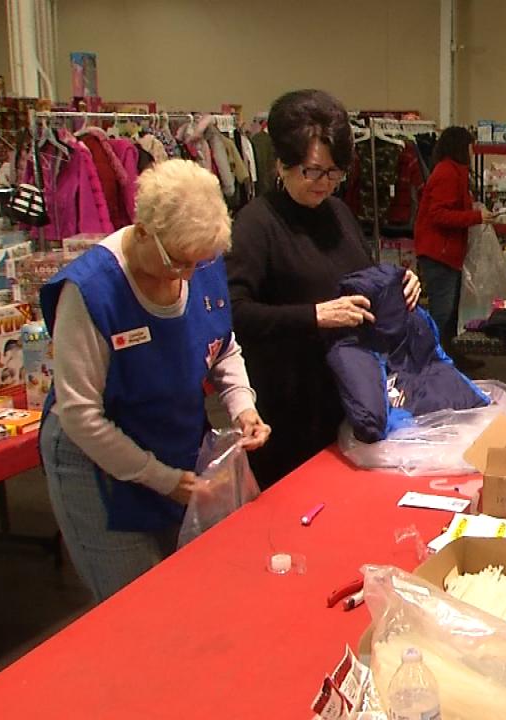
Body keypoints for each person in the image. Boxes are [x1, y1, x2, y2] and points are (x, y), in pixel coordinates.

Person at [39, 159, 271, 602]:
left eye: (198, 264)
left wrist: (243, 405)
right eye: (178, 263)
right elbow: (80, 416)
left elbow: (223, 345)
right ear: (142, 231)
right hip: (97, 461)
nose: (187, 275)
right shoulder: (89, 292)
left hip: (170, 441)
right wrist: (162, 478)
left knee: (186, 585)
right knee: (135, 602)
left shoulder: (198, 258)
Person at [227, 89, 420, 488]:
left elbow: (364, 279)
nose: (325, 183)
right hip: (288, 409)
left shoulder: (338, 213)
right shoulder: (255, 225)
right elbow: (235, 314)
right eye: (313, 171)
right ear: (282, 163)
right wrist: (315, 315)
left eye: (335, 173)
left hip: (349, 400)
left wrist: (399, 286)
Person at [414, 126, 493, 346]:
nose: (473, 152)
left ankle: (449, 355)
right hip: (439, 252)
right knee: (442, 311)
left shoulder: (453, 171)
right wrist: (475, 216)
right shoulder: (448, 173)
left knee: (450, 311)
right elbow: (439, 214)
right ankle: (430, 357)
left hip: (446, 251)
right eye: (471, 147)